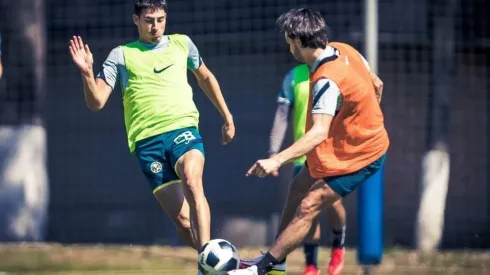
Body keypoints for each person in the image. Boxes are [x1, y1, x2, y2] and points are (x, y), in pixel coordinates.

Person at [68, 0, 235, 262]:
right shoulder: (121, 55)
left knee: (192, 182)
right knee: (181, 222)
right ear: (136, 20)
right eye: (149, 20)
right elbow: (97, 102)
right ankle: (220, 262)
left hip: (183, 129)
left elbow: (205, 77)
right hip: (147, 144)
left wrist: (227, 116)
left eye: (160, 19)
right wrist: (87, 73)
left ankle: (206, 265)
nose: (155, 26)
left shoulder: (182, 44)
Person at [232, 8, 388, 275]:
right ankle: (276, 262)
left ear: (298, 42)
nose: (288, 46)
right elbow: (378, 84)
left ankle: (262, 269)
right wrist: (360, 119)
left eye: (289, 41)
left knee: (309, 204)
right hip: (344, 147)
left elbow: (318, 133)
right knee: (297, 188)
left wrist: (276, 159)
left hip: (362, 157)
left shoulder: (325, 82)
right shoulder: (344, 49)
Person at [269, 64, 348, 275]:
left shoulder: (336, 69)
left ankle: (338, 245)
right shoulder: (294, 76)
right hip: (304, 156)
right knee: (307, 208)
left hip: (333, 153)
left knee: (333, 203)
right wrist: (273, 152)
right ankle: (311, 265)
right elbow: (282, 115)